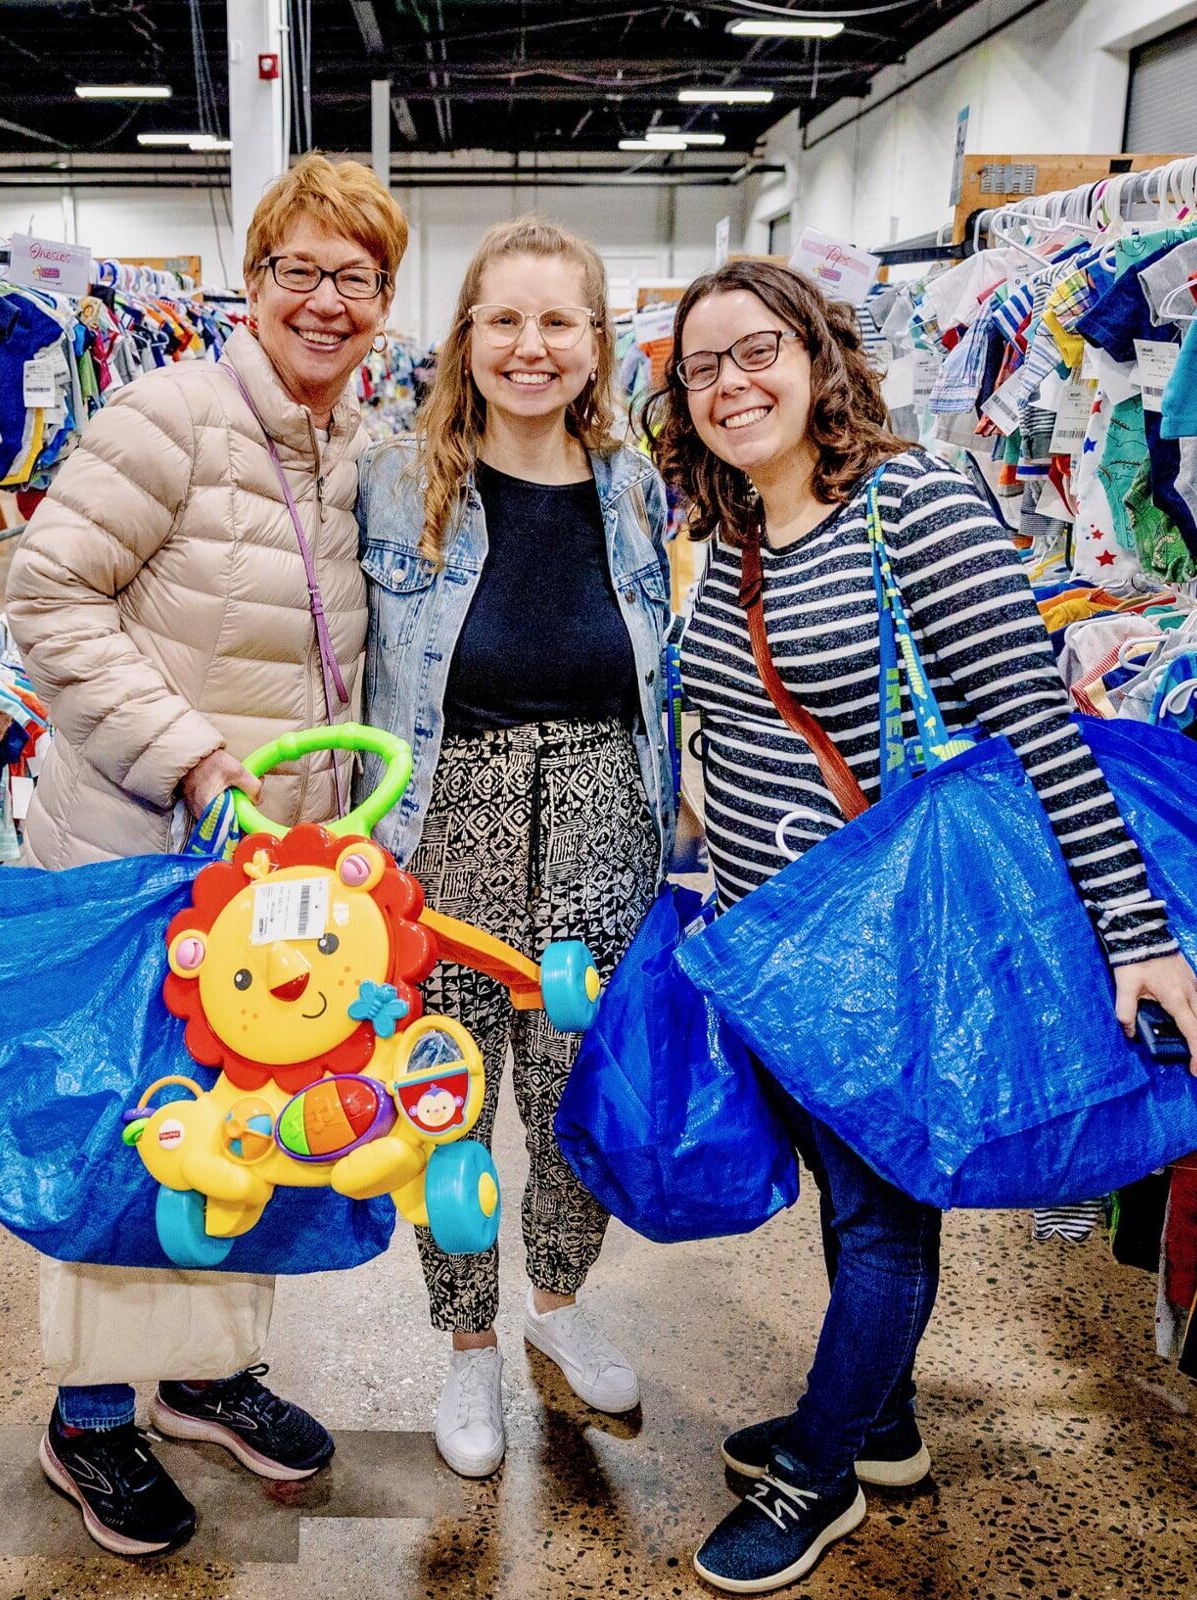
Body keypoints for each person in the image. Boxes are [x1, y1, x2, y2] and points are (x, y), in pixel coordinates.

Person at [642, 260, 1197, 1594]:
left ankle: (819, 1476)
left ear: (821, 354)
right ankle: (879, 1420)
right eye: (704, 367)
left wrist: (1133, 930)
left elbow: (1042, 735)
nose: (733, 385)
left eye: (758, 352)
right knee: (851, 1204)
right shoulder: (730, 535)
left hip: (889, 948)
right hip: (771, 946)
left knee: (885, 1216)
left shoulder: (917, 505)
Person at [5, 152, 407, 1557]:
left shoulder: (353, 441)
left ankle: (205, 1375)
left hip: (268, 877)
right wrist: (185, 750)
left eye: (357, 279)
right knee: (134, 1129)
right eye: (300, 270)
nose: (326, 300)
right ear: (253, 282)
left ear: (383, 305)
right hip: (139, 850)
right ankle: (91, 1415)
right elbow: (47, 596)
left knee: (244, 1132)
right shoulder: (167, 412)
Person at [355, 217, 674, 1478]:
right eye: (505, 319)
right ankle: (468, 1346)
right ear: (466, 336)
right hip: (445, 822)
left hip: (603, 811)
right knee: (449, 1094)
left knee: (568, 1091)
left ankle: (558, 1305)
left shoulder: (635, 488)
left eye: (559, 321)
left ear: (596, 345)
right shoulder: (392, 478)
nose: (530, 346)